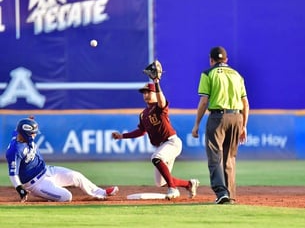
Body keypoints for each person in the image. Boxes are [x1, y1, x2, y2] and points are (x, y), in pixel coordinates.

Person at [111, 67, 200, 200]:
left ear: (155, 93)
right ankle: (189, 184)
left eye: (148, 92)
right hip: (162, 145)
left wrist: (156, 82)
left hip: (172, 142)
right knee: (160, 182)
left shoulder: (159, 107)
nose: (146, 94)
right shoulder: (143, 114)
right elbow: (141, 131)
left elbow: (162, 100)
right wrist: (122, 136)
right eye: (144, 92)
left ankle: (173, 189)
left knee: (156, 158)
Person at [5, 117, 119, 202]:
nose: (35, 135)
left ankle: (101, 193)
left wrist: (29, 121)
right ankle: (49, 195)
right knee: (66, 197)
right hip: (35, 184)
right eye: (33, 133)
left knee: (76, 176)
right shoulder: (15, 150)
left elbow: (19, 128)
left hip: (47, 171)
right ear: (26, 134)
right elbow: (13, 174)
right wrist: (20, 189)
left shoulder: (20, 135)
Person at [192, 46, 249, 204]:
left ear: (211, 60)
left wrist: (196, 124)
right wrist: (244, 125)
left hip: (218, 117)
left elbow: (204, 101)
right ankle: (230, 194)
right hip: (236, 116)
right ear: (226, 59)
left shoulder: (208, 73)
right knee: (230, 157)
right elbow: (245, 103)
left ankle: (221, 193)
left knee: (215, 156)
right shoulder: (237, 75)